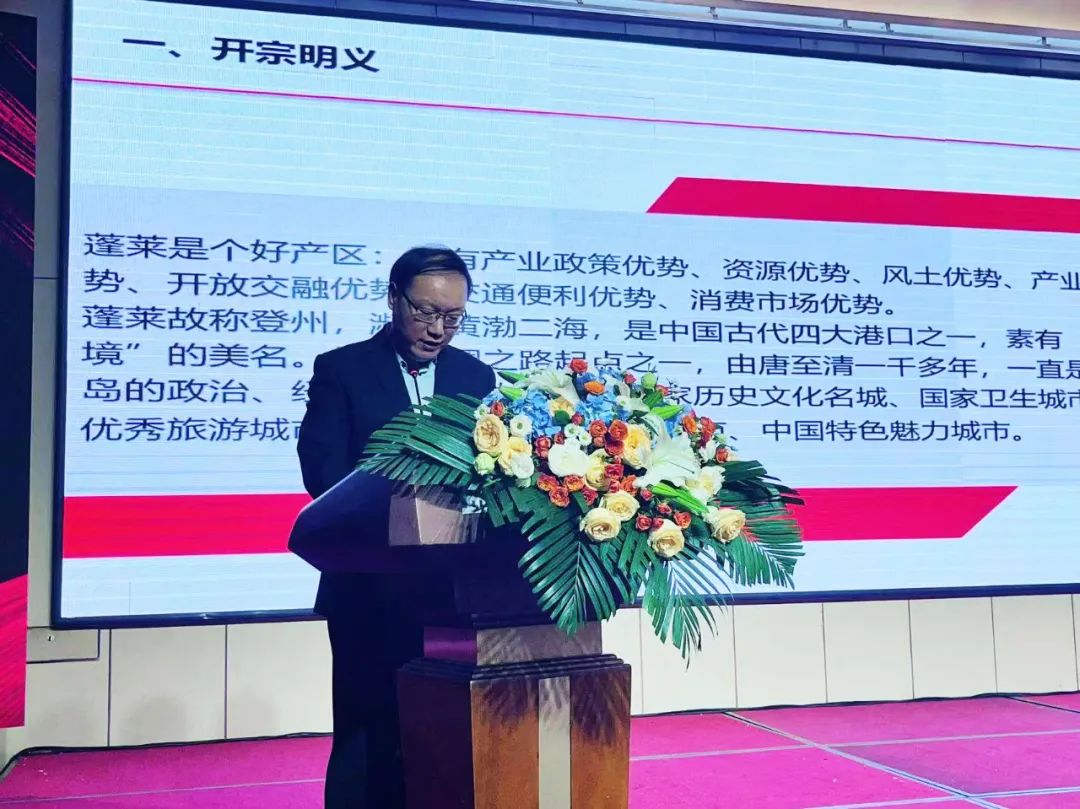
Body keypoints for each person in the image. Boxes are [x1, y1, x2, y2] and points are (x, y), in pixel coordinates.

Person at [297, 246, 495, 809]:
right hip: (367, 587)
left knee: (441, 732)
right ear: (393, 299)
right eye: (425, 312)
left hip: (451, 594)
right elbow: (323, 475)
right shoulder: (342, 370)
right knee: (366, 728)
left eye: (452, 317)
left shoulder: (475, 377)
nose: (437, 329)